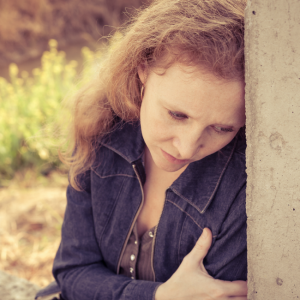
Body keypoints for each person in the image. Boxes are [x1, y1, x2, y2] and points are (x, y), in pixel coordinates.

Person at [38, 0, 248, 299]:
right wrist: (160, 296)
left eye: (222, 128)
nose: (187, 147)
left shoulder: (245, 189)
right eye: (177, 114)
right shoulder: (100, 130)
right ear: (142, 71)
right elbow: (72, 273)